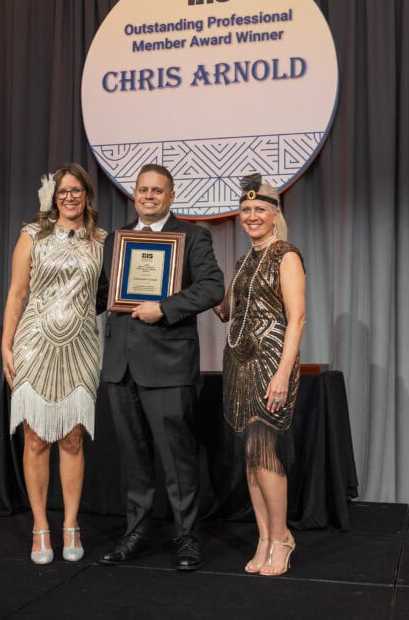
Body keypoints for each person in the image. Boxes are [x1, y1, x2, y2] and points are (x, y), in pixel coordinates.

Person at [97, 163, 224, 571]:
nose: (148, 196)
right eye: (142, 190)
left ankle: (186, 537)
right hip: (121, 366)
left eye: (157, 191)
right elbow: (104, 295)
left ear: (171, 197)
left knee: (177, 457)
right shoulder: (116, 239)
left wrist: (163, 308)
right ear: (134, 194)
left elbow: (212, 288)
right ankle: (135, 532)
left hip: (168, 365)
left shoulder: (192, 236)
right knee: (133, 458)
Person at [1, 163, 106, 565]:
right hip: (33, 345)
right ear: (54, 196)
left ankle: (71, 525)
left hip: (80, 347)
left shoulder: (101, 240)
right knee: (35, 439)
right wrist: (6, 345)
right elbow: (17, 293)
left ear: (87, 195)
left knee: (73, 439)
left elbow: (115, 291)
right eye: (63, 191)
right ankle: (41, 527)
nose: (70, 197)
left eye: (77, 190)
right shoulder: (32, 235)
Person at [213, 173, 306, 577]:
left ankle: (282, 537)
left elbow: (297, 319)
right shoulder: (244, 260)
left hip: (271, 363)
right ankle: (264, 537)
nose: (251, 216)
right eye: (245, 210)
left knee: (266, 455)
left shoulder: (287, 255)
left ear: (274, 215)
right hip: (237, 362)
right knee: (251, 459)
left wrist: (283, 373)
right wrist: (194, 280)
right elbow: (226, 311)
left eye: (259, 210)